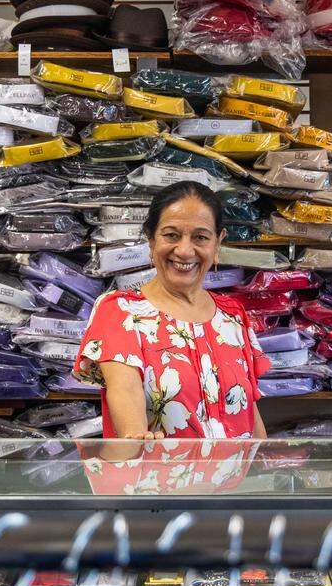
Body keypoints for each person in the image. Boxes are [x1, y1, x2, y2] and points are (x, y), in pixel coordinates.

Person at [73, 181, 270, 439]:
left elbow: (250, 413)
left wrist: (265, 461)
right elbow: (125, 393)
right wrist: (137, 439)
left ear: (218, 243)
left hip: (237, 468)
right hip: (156, 466)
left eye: (200, 237)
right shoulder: (121, 312)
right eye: (171, 235)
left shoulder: (232, 315)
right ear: (151, 240)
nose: (185, 251)